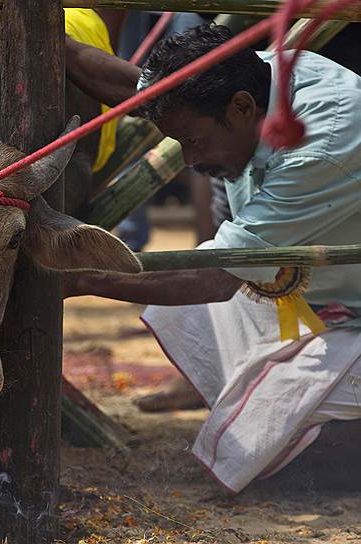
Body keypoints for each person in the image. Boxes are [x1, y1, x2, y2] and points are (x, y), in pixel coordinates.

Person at [64, 23, 361, 492]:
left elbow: (214, 278)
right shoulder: (253, 78)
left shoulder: (322, 145)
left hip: (345, 310)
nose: (186, 160)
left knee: (262, 455)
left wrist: (75, 279)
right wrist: (30, 27)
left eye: (194, 140)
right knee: (209, 336)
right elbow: (130, 87)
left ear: (241, 108)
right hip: (329, 297)